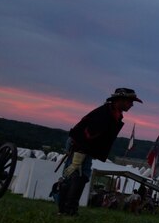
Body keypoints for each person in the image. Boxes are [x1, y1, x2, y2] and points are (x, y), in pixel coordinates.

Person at [57, 87, 142, 216]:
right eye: (130, 101)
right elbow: (88, 133)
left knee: (79, 176)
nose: (132, 104)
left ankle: (68, 209)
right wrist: (79, 153)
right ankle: (67, 210)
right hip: (80, 145)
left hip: (84, 146)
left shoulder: (113, 113)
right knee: (76, 175)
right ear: (120, 100)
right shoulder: (105, 113)